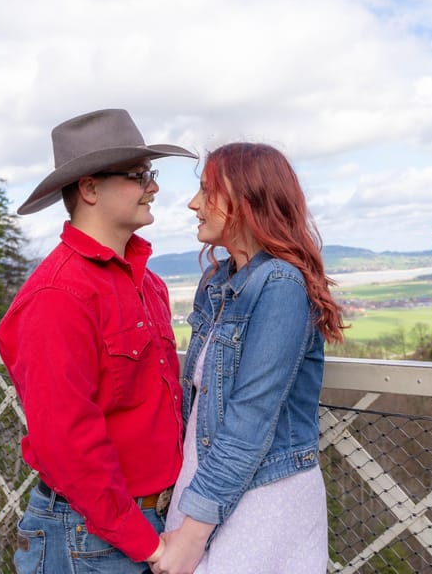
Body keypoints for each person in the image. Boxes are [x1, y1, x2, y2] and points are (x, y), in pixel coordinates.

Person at [0, 108, 197, 573]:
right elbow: (67, 443)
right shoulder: (57, 296)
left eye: (151, 173)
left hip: (149, 521)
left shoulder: (148, 283)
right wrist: (146, 545)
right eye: (138, 175)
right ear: (89, 188)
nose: (154, 186)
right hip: (90, 536)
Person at [150, 142, 345, 574]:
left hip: (263, 498)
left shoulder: (280, 285)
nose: (193, 204)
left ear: (246, 199)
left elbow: (250, 421)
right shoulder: (218, 281)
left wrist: (192, 534)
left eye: (206, 191)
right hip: (208, 488)